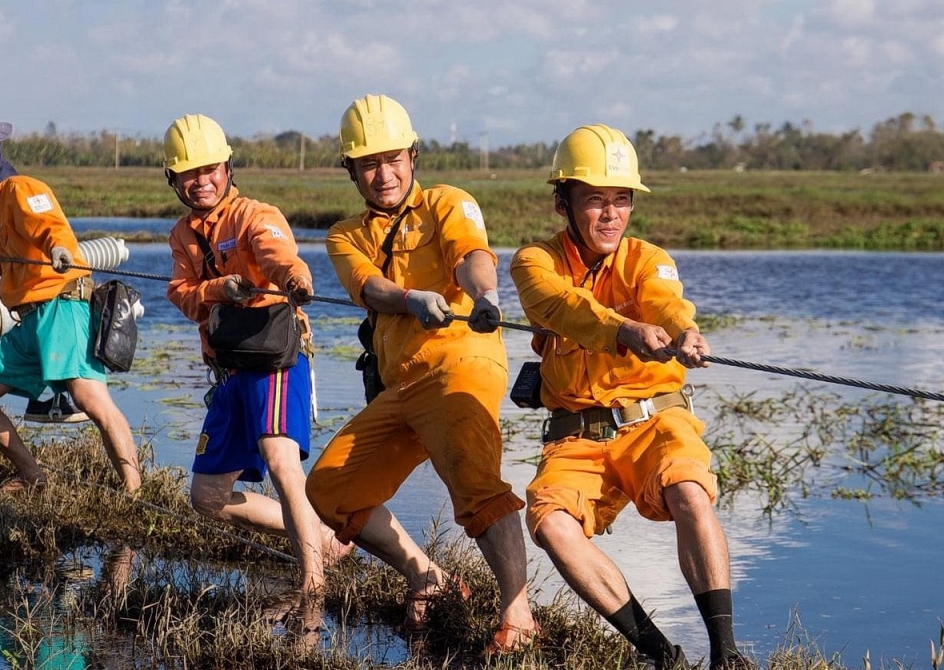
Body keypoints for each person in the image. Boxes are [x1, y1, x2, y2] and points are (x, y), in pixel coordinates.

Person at [509, 125, 754, 670]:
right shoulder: (533, 262)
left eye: (621, 200)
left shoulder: (649, 258)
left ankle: (726, 653)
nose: (611, 214)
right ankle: (661, 655)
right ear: (562, 203)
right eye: (594, 200)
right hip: (574, 436)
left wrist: (683, 332)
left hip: (653, 424)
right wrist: (624, 329)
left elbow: (667, 303)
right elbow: (561, 307)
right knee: (550, 524)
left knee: (689, 489)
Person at [304, 94, 538, 655]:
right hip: (401, 384)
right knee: (330, 488)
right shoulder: (343, 235)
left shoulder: (447, 202)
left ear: (413, 156)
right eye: (368, 164)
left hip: (461, 364)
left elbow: (471, 255)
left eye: (392, 160)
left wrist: (485, 293)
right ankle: (426, 574)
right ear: (352, 170)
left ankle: (518, 614)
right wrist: (410, 299)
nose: (382, 174)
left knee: (477, 486)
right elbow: (369, 288)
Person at [163, 114, 350, 626]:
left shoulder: (254, 214)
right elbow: (180, 295)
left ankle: (313, 582)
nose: (201, 181)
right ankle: (325, 541)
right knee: (206, 498)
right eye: (188, 174)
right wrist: (217, 290)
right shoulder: (182, 234)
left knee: (281, 462)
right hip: (227, 370)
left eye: (210, 169)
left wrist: (296, 279)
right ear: (175, 181)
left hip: (275, 358)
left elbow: (279, 256)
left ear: (227, 167)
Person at [0, 113, 141, 494]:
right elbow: (20, 256)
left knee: (89, 399)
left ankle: (133, 489)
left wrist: (59, 247)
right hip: (29, 319)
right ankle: (34, 477)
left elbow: (48, 226)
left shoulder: (20, 188)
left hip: (60, 307)